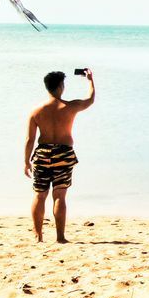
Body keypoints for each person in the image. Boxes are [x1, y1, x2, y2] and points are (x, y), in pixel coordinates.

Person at [24, 69, 95, 242]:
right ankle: (60, 237)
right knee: (60, 195)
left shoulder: (36, 111)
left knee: (40, 195)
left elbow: (30, 139)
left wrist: (26, 161)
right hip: (63, 154)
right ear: (61, 86)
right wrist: (90, 80)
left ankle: (38, 236)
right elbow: (90, 100)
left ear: (47, 87)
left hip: (43, 154)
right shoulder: (70, 107)